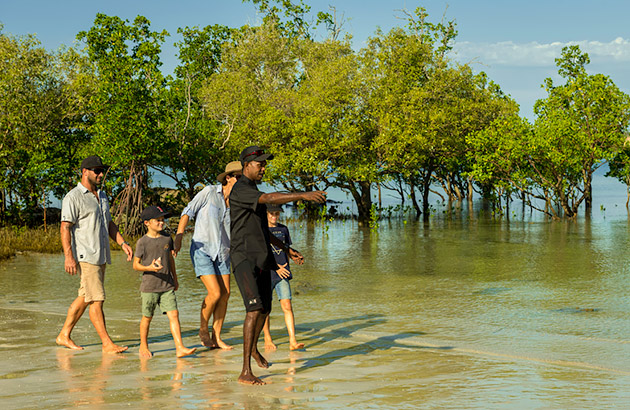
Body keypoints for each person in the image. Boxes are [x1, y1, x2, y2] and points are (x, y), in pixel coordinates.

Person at [229, 145, 326, 385]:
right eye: (259, 164)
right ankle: (245, 371)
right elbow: (270, 198)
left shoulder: (253, 189)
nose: (263, 167)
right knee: (253, 309)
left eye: (264, 164)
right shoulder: (241, 189)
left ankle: (252, 349)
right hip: (243, 258)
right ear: (246, 165)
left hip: (263, 257)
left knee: (265, 310)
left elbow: (263, 229)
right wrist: (302, 195)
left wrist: (286, 250)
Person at [56, 155, 133, 353]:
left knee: (86, 297)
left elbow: (108, 223)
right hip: (86, 255)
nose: (100, 174)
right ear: (84, 172)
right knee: (97, 299)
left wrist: (122, 243)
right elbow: (65, 227)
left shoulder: (103, 196)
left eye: (101, 171)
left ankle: (64, 335)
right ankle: (107, 343)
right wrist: (68, 256)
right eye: (96, 171)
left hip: (101, 255)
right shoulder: (73, 197)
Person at [174, 161, 242, 350]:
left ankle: (217, 336)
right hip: (202, 249)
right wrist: (178, 237)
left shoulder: (238, 201)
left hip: (224, 252)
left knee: (226, 294)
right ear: (228, 178)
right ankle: (203, 329)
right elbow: (187, 212)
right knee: (215, 292)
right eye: (239, 176)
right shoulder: (209, 192)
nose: (241, 180)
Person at [133, 205, 197, 358]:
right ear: (147, 223)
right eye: (158, 220)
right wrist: (149, 267)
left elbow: (170, 260)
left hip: (167, 285)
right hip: (149, 287)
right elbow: (135, 265)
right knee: (147, 317)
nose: (162, 223)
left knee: (174, 314)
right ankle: (143, 344)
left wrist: (175, 279)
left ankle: (180, 347)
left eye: (163, 220)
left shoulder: (167, 238)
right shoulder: (142, 242)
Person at [262, 204, 305, 351]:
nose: (274, 216)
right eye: (271, 213)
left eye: (277, 214)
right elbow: (261, 254)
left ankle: (293, 340)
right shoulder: (261, 229)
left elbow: (286, 249)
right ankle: (267, 338)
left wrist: (294, 256)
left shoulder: (283, 229)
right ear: (266, 214)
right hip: (267, 273)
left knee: (287, 306)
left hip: (284, 273)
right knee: (266, 309)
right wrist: (276, 267)